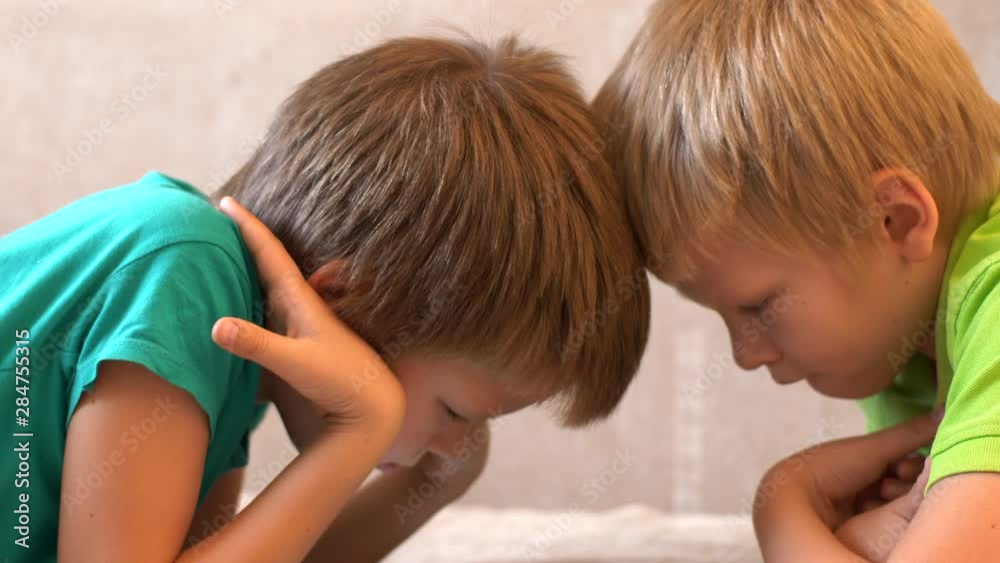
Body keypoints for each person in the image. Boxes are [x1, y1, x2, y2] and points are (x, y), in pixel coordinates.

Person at [0, 35, 650, 562]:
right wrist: (358, 430)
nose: (453, 442)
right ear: (340, 298)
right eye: (454, 410)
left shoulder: (236, 356)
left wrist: (432, 484)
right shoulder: (185, 272)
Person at [592, 0, 1000, 560]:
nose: (745, 355)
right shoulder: (905, 323)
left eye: (759, 307)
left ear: (895, 220)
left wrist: (785, 507)